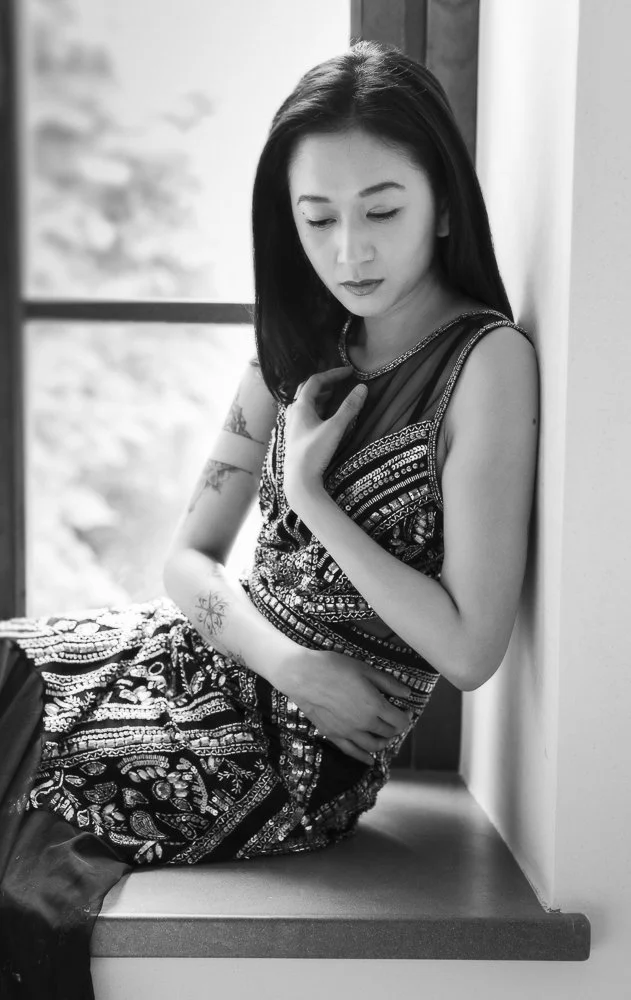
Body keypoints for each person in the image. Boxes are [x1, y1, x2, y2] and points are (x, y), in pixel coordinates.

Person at [0, 39, 538, 999]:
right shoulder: (294, 345)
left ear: (445, 204)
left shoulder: (486, 364)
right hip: (212, 658)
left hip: (293, 754)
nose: (348, 251)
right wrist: (284, 659)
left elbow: (469, 649)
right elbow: (186, 561)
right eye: (316, 217)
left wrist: (314, 502)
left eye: (382, 211)